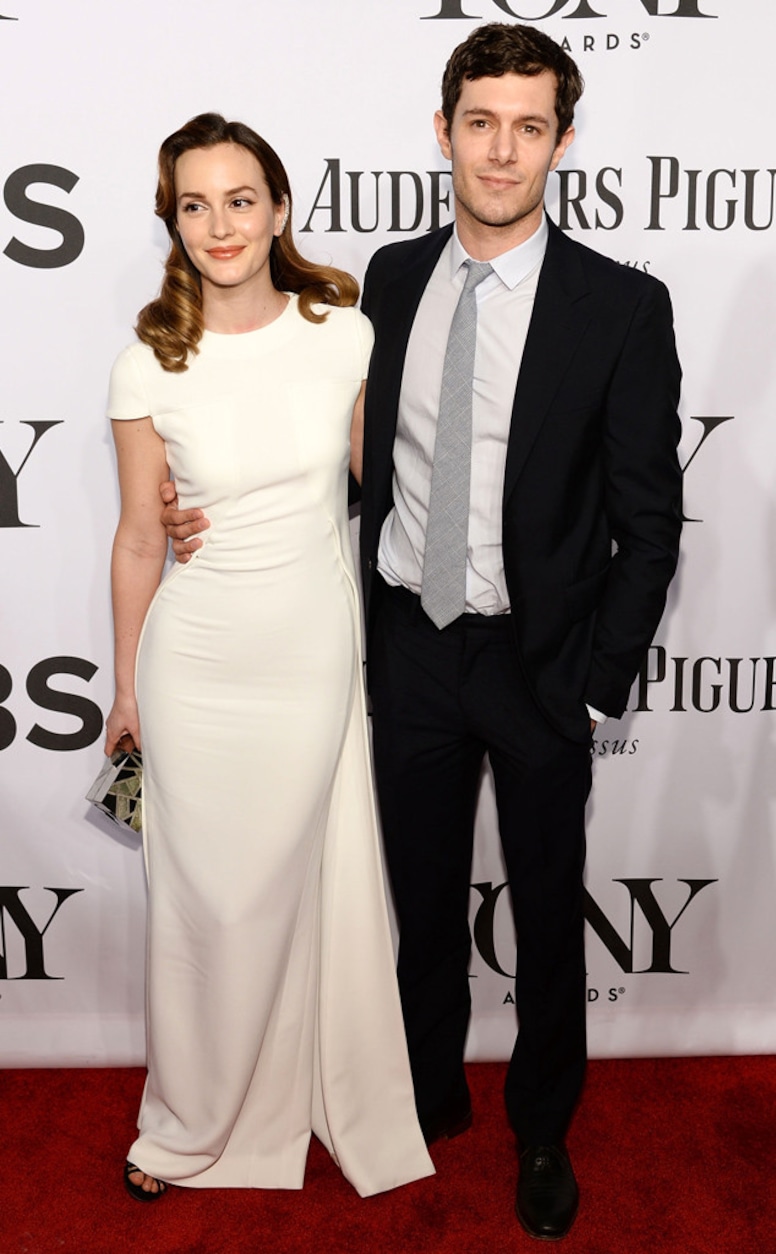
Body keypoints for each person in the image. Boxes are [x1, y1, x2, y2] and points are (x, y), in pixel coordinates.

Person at [162, 24, 683, 1242]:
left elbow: (648, 521)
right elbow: (334, 453)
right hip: (405, 639)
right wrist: (207, 513)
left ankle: (541, 1126)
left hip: (540, 663)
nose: (501, 149)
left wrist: (598, 683)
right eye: (480, 121)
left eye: (529, 125)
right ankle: (425, 1091)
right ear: (441, 130)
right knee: (418, 898)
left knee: (549, 908)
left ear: (560, 140)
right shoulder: (382, 281)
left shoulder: (620, 305)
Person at [104, 112, 433, 1203]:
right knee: (201, 904)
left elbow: (381, 484)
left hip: (306, 653)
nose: (219, 224)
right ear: (174, 222)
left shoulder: (342, 332)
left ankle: (299, 1090)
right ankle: (188, 1122)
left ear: (279, 208)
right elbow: (142, 535)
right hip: (192, 662)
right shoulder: (148, 359)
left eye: (238, 199)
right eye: (193, 204)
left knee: (287, 889)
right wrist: (123, 687)